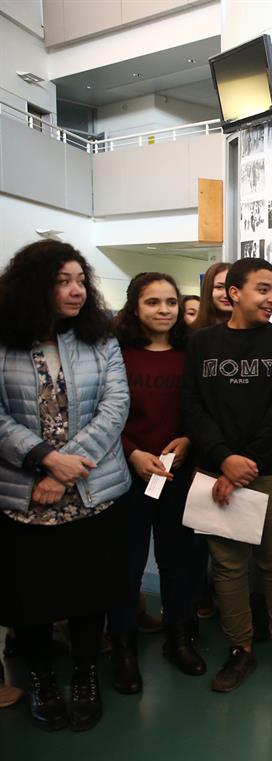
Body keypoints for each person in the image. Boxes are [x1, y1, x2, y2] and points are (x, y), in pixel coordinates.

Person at [0, 240, 131, 732]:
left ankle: (83, 678)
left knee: (88, 594)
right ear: (35, 287)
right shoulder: (5, 339)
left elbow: (115, 407)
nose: (76, 290)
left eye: (80, 280)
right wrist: (44, 461)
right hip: (22, 494)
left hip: (92, 492)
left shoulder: (101, 339)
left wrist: (68, 466)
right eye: (63, 281)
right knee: (29, 600)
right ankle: (41, 680)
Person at [183, 257, 272, 693]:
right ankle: (240, 650)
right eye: (262, 289)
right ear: (233, 292)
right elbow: (194, 408)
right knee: (228, 565)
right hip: (215, 470)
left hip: (271, 471)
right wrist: (224, 459)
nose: (271, 299)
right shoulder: (202, 344)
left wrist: (244, 464)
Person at [108, 273, 207, 695]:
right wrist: (133, 453)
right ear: (136, 307)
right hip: (128, 475)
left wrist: (188, 440)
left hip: (177, 474)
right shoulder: (118, 354)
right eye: (153, 302)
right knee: (127, 567)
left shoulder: (191, 353)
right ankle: (124, 650)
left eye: (170, 302)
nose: (164, 310)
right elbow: (105, 414)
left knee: (177, 563)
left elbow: (202, 409)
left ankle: (177, 639)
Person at [192, 262, 233, 329]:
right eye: (219, 287)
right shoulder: (191, 333)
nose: (226, 295)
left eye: (231, 287)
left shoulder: (252, 331)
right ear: (208, 289)